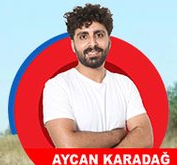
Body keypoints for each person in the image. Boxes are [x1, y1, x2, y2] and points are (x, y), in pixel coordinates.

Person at [43, 4, 151, 149]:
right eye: (83, 36)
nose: (92, 43)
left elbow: (145, 137)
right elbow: (68, 145)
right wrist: (117, 135)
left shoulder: (125, 84)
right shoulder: (58, 85)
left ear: (109, 42)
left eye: (99, 35)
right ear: (73, 45)